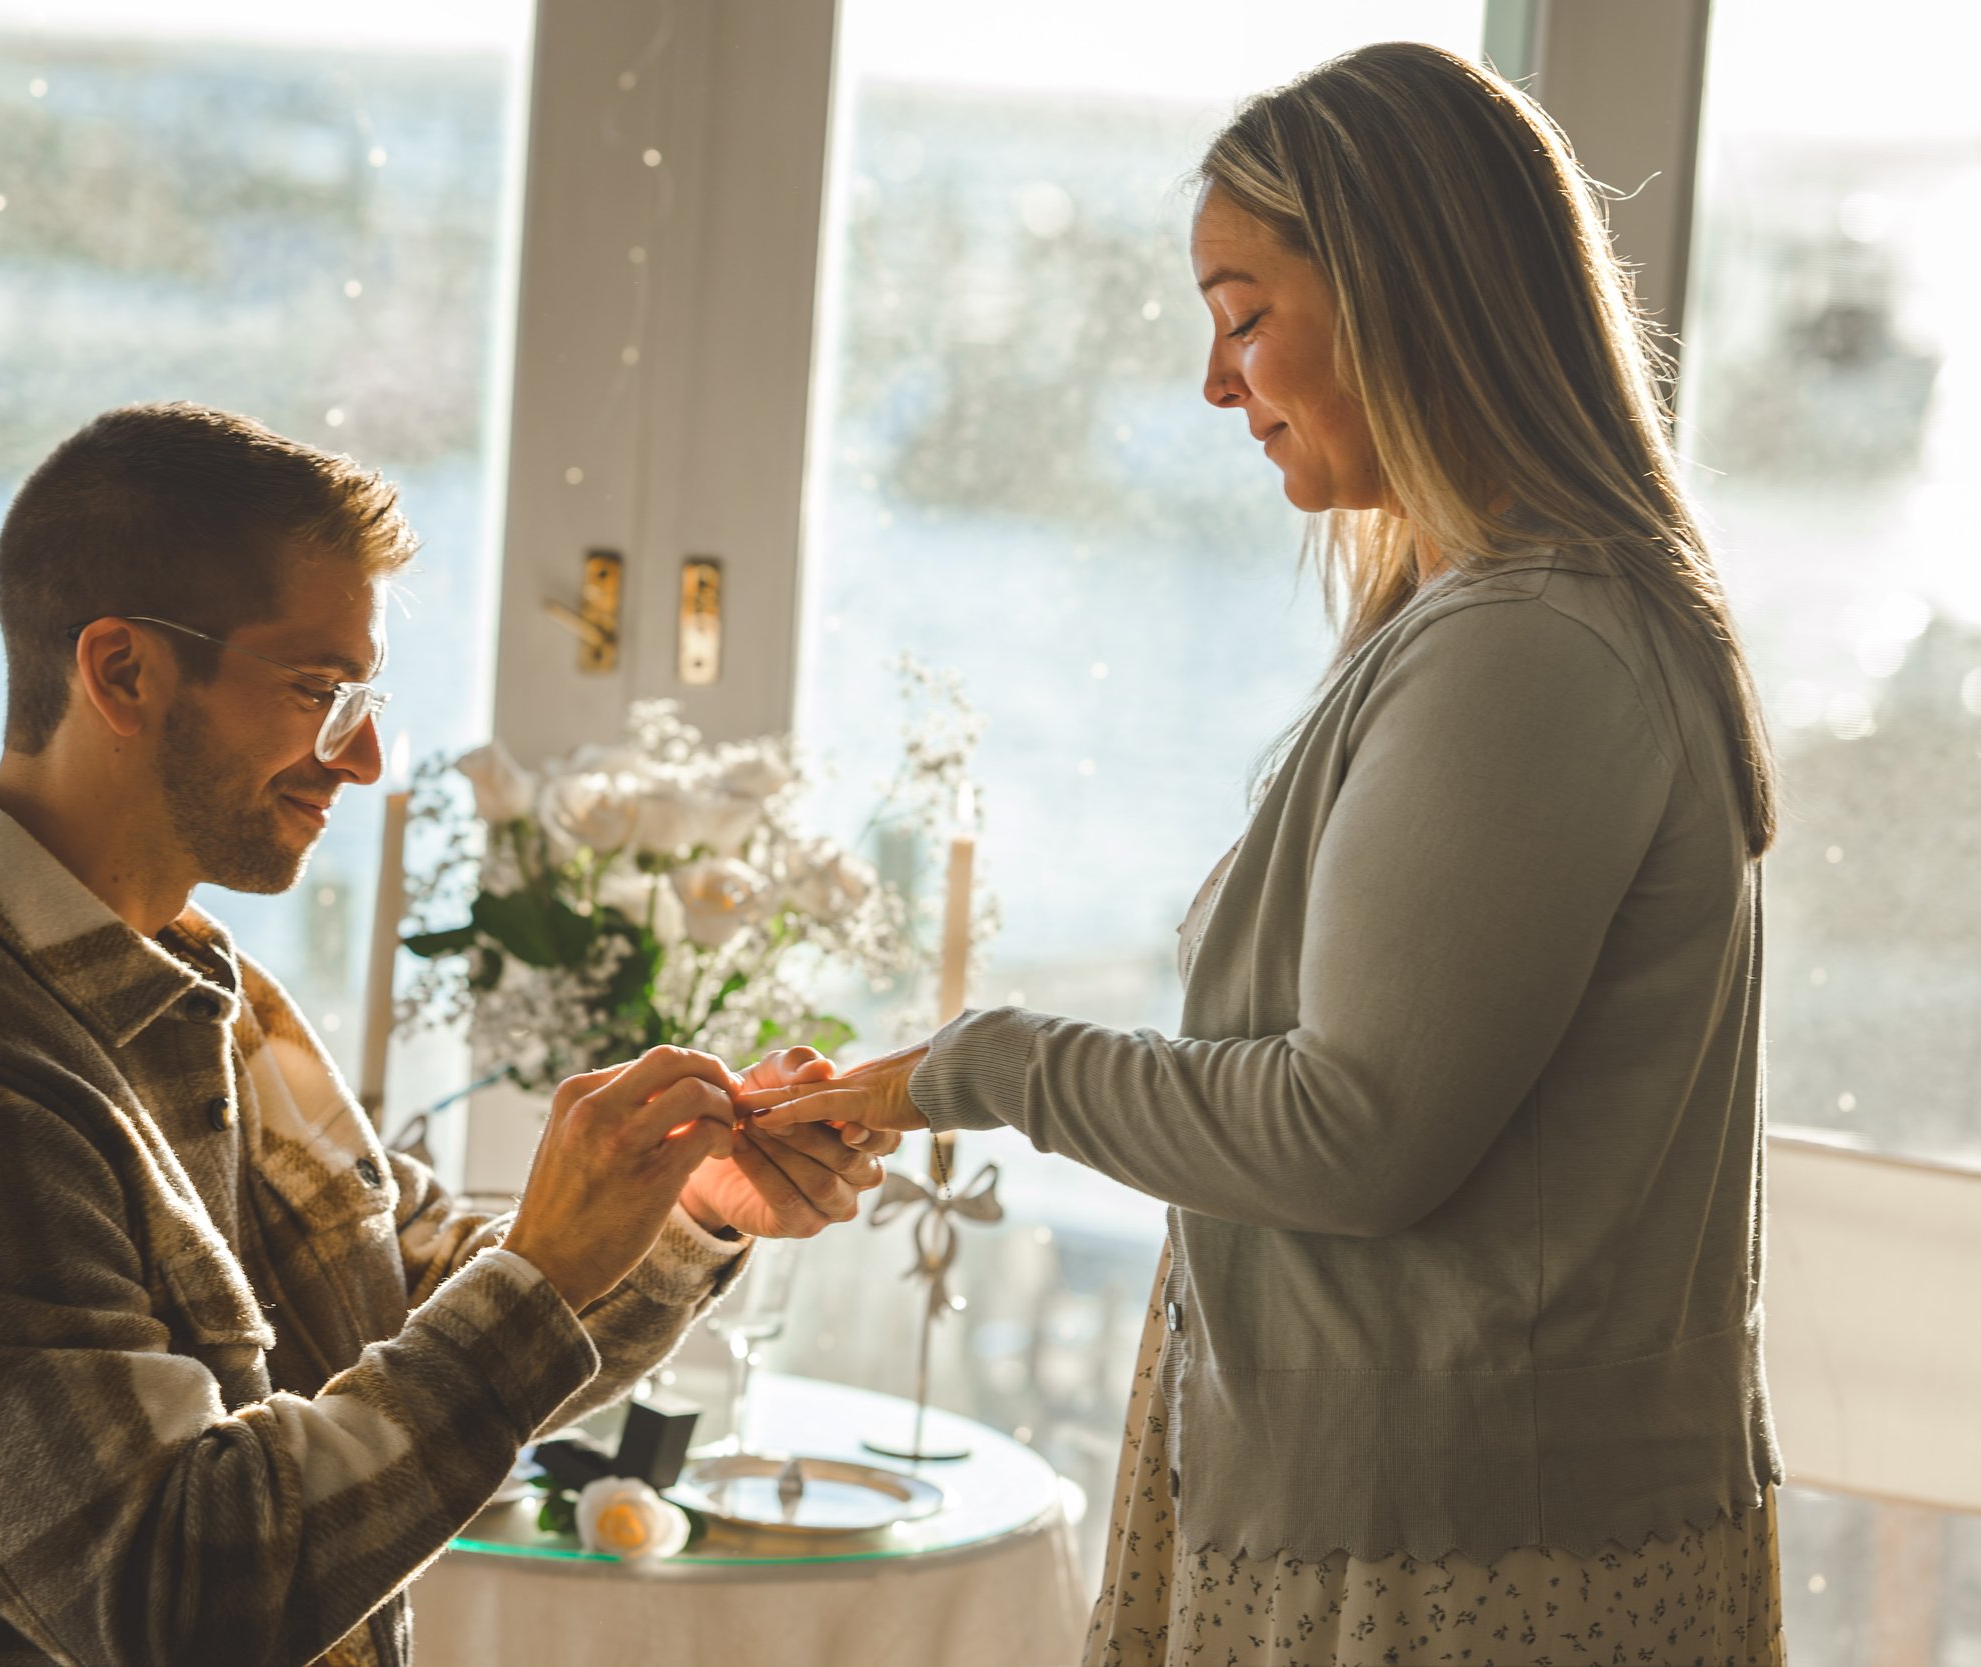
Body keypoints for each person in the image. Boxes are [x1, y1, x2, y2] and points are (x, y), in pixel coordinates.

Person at [752, 41, 1785, 1666]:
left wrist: (975, 1068)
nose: (1217, 383)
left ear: (1405, 296)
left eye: (1243, 314)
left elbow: (1352, 1135)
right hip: (1440, 1501)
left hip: (1449, 1552)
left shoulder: (1528, 647)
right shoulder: (1502, 622)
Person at [0, 402, 895, 1667]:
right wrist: (544, 1271)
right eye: (319, 691)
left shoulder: (189, 983)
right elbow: (180, 1598)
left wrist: (685, 1207)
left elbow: (420, 1306)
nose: (360, 758)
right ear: (123, 672)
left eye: (362, 696)